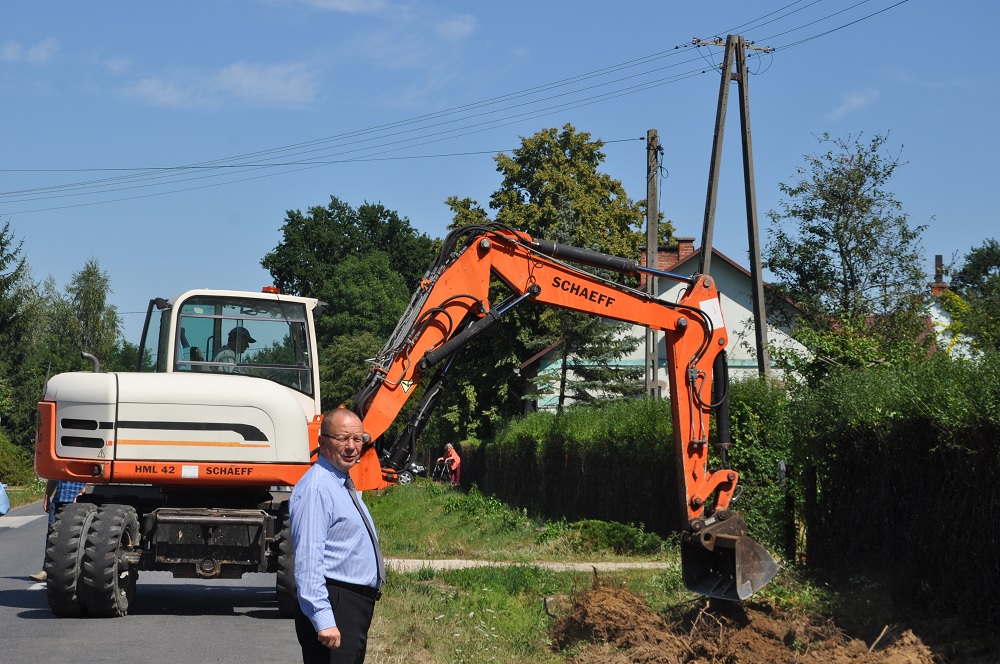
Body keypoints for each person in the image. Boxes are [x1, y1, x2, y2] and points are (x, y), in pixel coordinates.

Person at [290, 408, 384, 663]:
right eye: (343, 439)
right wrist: (323, 619)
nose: (352, 447)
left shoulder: (338, 483)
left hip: (349, 605)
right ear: (322, 442)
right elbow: (309, 561)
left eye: (358, 439)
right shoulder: (318, 487)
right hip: (335, 603)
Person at [29, 479, 87, 581]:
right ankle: (46, 570)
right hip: (58, 500)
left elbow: (92, 476)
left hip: (77, 500)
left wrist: (83, 492)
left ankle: (75, 571)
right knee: (52, 533)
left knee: (75, 536)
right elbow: (53, 478)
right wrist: (47, 497)